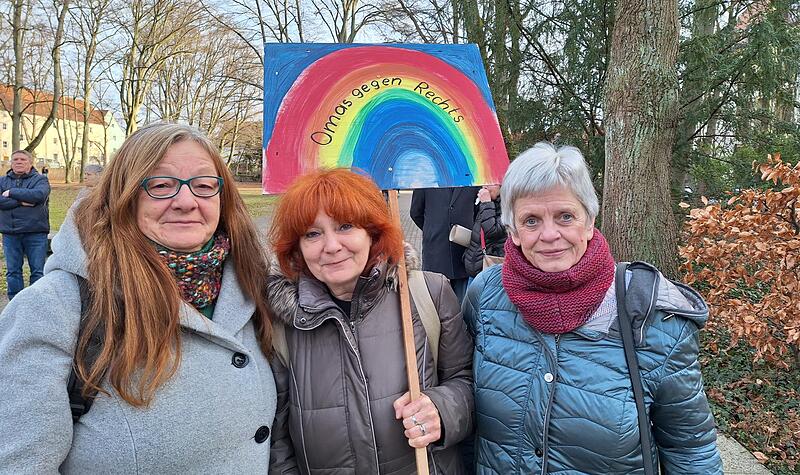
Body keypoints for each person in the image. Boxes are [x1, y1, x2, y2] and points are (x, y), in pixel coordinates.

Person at [0, 123, 276, 472]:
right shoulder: (56, 308)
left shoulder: (253, 286)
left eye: (204, 185)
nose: (186, 202)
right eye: (161, 185)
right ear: (124, 197)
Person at [462, 142, 723, 473]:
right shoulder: (485, 296)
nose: (550, 234)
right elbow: (465, 408)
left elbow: (690, 451)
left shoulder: (653, 319)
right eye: (531, 221)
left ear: (589, 221)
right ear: (512, 231)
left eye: (565, 216)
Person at [268, 169, 474, 474]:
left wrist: (442, 410)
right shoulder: (282, 322)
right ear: (296, 246)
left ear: (372, 232)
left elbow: (467, 382)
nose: (332, 246)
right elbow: (277, 441)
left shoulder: (428, 294)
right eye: (312, 233)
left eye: (346, 226)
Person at [410, 186, 479, 301]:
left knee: (462, 307)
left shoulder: (470, 178)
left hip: (463, 255)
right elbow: (416, 212)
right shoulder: (427, 179)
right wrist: (431, 230)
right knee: (435, 305)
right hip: (436, 252)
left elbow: (477, 213)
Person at [0, 149, 50, 300]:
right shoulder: (2, 181)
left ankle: (36, 300)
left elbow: (39, 196)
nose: (19, 162)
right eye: (15, 160)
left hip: (35, 232)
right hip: (10, 233)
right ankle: (15, 302)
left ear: (30, 162)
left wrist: (11, 192)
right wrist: (22, 200)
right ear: (11, 163)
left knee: (38, 270)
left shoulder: (40, 180)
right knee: (13, 271)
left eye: (23, 159)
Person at [462, 184, 506, 278]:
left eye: (491, 183)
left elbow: (492, 231)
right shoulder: (487, 204)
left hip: (491, 271)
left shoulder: (508, 206)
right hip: (475, 268)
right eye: (484, 182)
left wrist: (486, 204)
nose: (485, 186)